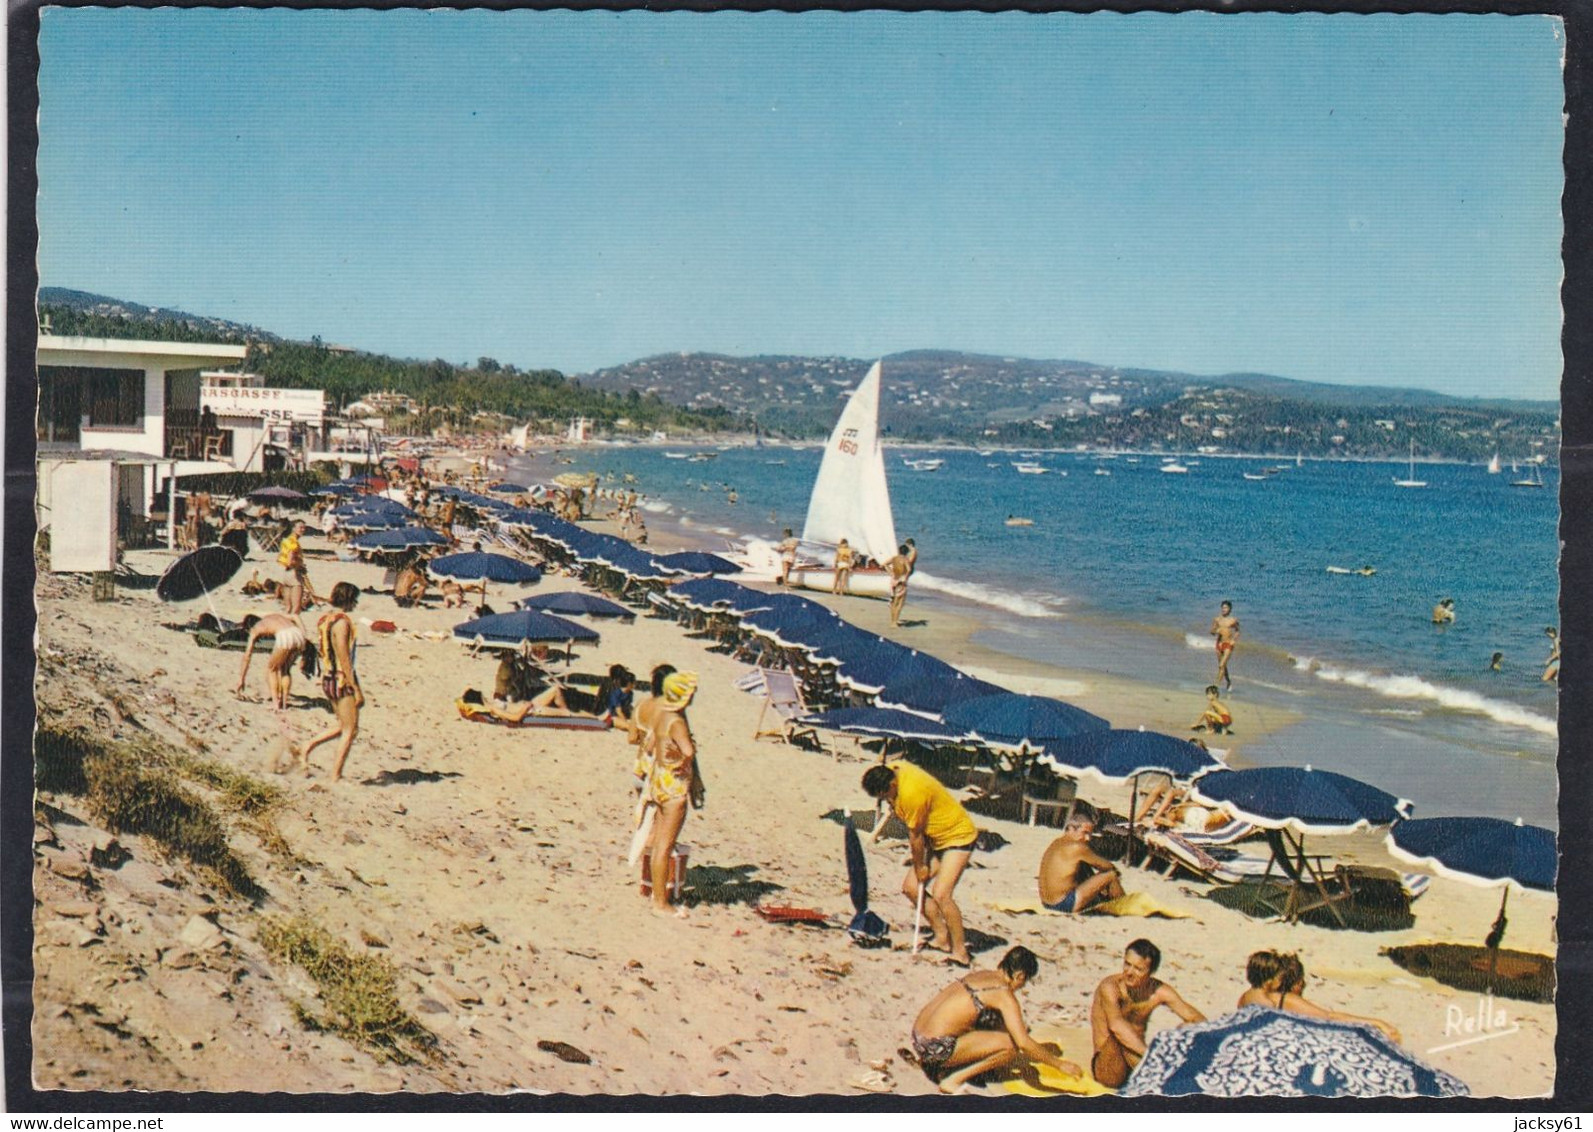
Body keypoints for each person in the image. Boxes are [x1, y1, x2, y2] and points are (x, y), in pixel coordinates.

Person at [909, 946, 1083, 1094]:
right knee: (1011, 1045)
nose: (1022, 986)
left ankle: (942, 1066)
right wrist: (1059, 1065)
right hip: (934, 1048)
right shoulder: (1003, 993)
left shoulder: (983, 975)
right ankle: (954, 1079)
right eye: (1025, 981)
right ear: (1020, 976)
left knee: (995, 1023)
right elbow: (1022, 1042)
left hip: (918, 1037)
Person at [862, 762, 978, 968]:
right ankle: (942, 937)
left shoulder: (912, 794)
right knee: (911, 888)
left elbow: (915, 838)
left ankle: (961, 953)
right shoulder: (894, 770)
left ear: (891, 784)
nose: (884, 800)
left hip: (958, 838)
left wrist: (920, 867)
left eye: (884, 795)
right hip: (937, 839)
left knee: (942, 894)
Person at [1089, 939, 1206, 1088]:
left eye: (1138, 969)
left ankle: (1166, 1073)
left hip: (1138, 1061)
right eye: (1127, 964)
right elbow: (1117, 1025)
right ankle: (1165, 1073)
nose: (1129, 972)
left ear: (1151, 972)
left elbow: (1197, 1019)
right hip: (1109, 1068)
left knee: (1189, 1027)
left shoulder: (1158, 991)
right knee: (1118, 1034)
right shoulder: (1110, 987)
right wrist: (1151, 1055)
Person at [1239, 950, 1400, 1043]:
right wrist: (1377, 1022)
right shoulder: (1280, 999)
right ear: (1270, 980)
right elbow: (1330, 1017)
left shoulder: (1244, 997)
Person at [639, 672, 699, 917]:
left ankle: (657, 895)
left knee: (659, 844)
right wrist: (685, 758)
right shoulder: (677, 722)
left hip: (659, 781)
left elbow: (648, 746)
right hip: (674, 786)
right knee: (665, 845)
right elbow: (688, 750)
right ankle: (661, 903)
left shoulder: (662, 715)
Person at [296, 582, 363, 782]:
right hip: (341, 680)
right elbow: (343, 656)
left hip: (329, 678)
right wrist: (355, 687)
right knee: (350, 730)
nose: (356, 604)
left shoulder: (325, 620)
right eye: (355, 600)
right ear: (349, 599)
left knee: (344, 725)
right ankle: (335, 775)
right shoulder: (342, 623)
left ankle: (307, 746)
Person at [1037, 810, 1124, 913]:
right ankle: (1123, 905)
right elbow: (1107, 866)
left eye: (1090, 834)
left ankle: (1111, 899)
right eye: (1085, 833)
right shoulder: (1077, 847)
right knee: (1111, 875)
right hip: (1064, 904)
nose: (1088, 838)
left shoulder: (1056, 842)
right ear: (1071, 829)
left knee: (1082, 865)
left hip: (1046, 902)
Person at [234, 612, 310, 709]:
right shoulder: (270, 617)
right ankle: (284, 702)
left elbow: (247, 656)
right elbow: (295, 616)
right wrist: (304, 634)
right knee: (285, 669)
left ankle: (275, 704)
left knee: (271, 669)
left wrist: (241, 679)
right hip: (297, 633)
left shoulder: (255, 629)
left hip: (285, 635)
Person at [278, 520, 311, 616]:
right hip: (294, 574)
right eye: (300, 527)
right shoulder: (294, 543)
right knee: (296, 609)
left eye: (304, 527)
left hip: (286, 574)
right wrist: (300, 566)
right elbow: (290, 562)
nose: (303, 530)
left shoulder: (287, 540)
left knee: (288, 608)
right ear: (293, 528)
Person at [1210, 601, 1239, 691]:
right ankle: (1228, 681)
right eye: (1222, 608)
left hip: (1228, 644)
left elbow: (1237, 631)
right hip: (1219, 644)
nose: (1224, 609)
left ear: (1230, 609)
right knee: (1222, 666)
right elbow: (1212, 631)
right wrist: (1215, 631)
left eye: (1226, 608)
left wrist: (1233, 640)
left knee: (1221, 665)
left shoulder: (1233, 620)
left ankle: (1216, 686)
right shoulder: (1217, 619)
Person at [886, 543, 913, 628]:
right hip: (901, 581)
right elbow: (909, 569)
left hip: (894, 580)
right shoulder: (905, 559)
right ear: (906, 552)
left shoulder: (894, 558)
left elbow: (884, 564)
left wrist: (890, 572)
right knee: (900, 603)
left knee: (894, 602)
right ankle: (895, 622)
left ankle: (893, 621)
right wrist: (905, 577)